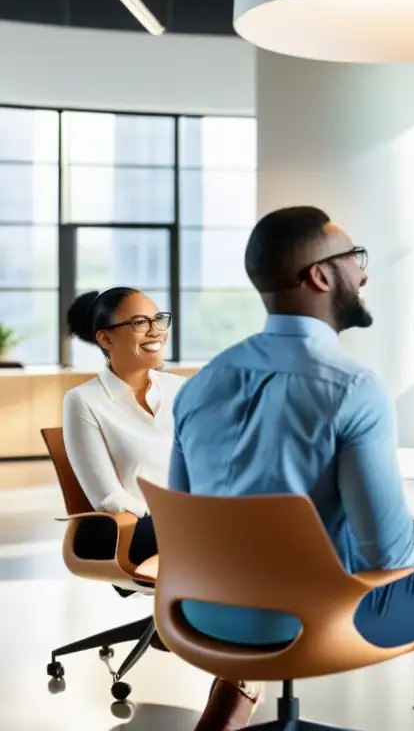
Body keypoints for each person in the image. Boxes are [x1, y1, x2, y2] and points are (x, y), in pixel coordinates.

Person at [169, 206, 414, 731]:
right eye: (353, 258)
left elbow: (187, 521)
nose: (362, 273)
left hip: (199, 616)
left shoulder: (199, 383)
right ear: (320, 275)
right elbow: (385, 554)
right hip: (316, 620)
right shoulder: (350, 387)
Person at [61, 288, 259, 730]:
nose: (155, 331)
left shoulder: (181, 389)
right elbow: (107, 497)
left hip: (188, 522)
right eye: (139, 323)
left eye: (158, 319)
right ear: (105, 338)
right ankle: (235, 677)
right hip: (120, 529)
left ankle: (234, 681)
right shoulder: (84, 401)